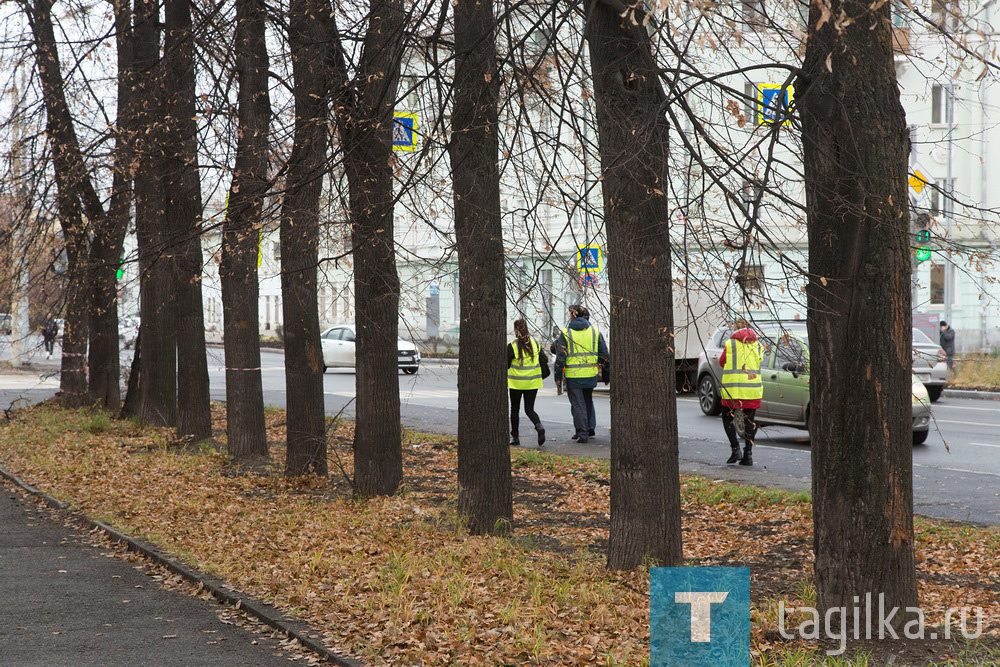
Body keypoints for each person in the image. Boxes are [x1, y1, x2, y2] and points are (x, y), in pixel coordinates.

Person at [553, 305, 609, 444]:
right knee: (587, 401)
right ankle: (589, 428)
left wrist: (558, 377)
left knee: (578, 405)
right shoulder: (595, 332)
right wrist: (607, 375)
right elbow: (604, 356)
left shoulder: (566, 333)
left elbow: (560, 358)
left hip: (573, 375)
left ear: (572, 316)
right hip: (590, 374)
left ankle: (582, 433)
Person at [718, 317, 762, 466]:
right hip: (752, 389)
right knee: (750, 420)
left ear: (736, 328)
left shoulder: (730, 344)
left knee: (727, 417)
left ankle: (735, 449)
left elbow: (722, 362)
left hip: (733, 389)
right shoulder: (758, 345)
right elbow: (760, 360)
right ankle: (748, 454)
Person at [507, 318, 548, 447]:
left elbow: (505, 364)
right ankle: (539, 426)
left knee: (515, 410)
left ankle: (515, 437)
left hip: (516, 383)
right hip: (532, 383)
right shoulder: (535, 343)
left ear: (515, 330)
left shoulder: (512, 346)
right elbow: (544, 359)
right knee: (529, 409)